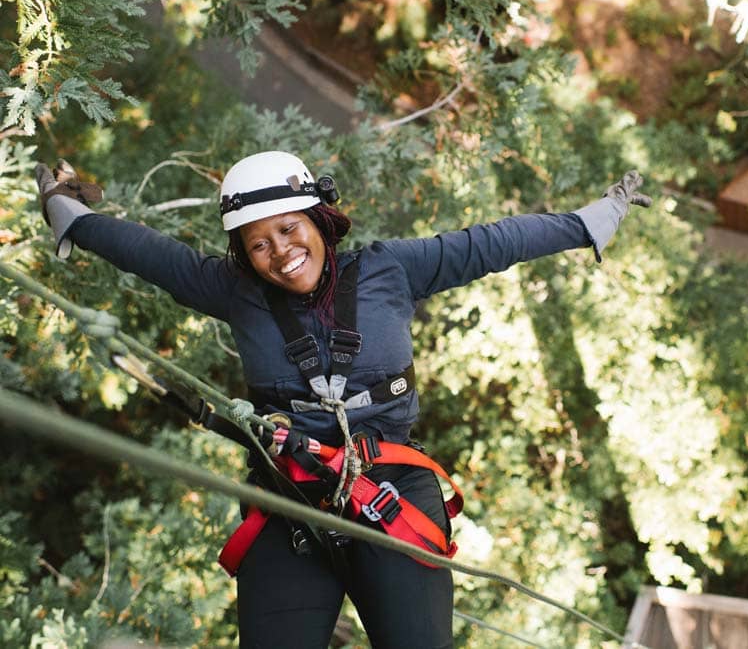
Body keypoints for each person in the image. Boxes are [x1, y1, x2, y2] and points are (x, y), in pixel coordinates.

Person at [35, 150, 651, 648]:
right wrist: (69, 214)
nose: (279, 251)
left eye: (288, 229)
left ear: (319, 219)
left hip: (390, 490)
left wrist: (589, 222)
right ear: (243, 256)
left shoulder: (392, 270)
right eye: (258, 243)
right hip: (290, 499)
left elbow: (491, 242)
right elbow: (150, 255)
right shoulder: (232, 291)